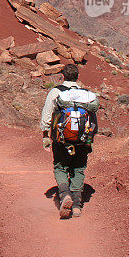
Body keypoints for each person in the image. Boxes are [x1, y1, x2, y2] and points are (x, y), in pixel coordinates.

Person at [40, 64, 99, 218]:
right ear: (77, 77)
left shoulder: (56, 92)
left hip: (61, 138)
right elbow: (93, 119)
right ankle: (78, 205)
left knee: (60, 167)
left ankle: (65, 194)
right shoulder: (87, 94)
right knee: (78, 168)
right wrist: (90, 139)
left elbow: (47, 115)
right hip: (82, 139)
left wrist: (45, 136)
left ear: (63, 76)